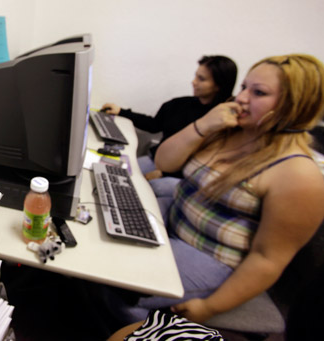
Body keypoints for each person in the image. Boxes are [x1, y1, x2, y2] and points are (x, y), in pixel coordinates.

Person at [94, 54, 324, 335]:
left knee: (115, 280)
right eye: (244, 87)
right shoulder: (230, 129)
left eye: (259, 92)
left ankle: (128, 320)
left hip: (209, 255)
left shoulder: (299, 175)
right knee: (101, 236)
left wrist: (210, 307)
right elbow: (166, 163)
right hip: (176, 219)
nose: (242, 98)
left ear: (296, 105)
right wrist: (203, 125)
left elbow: (268, 259)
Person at [101, 56, 237, 212]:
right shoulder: (180, 105)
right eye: (195, 76)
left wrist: (164, 173)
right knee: (113, 170)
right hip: (156, 161)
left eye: (201, 79)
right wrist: (121, 112)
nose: (194, 82)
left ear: (219, 85)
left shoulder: (223, 123)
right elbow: (154, 124)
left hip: (183, 176)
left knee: (152, 187)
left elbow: (205, 164)